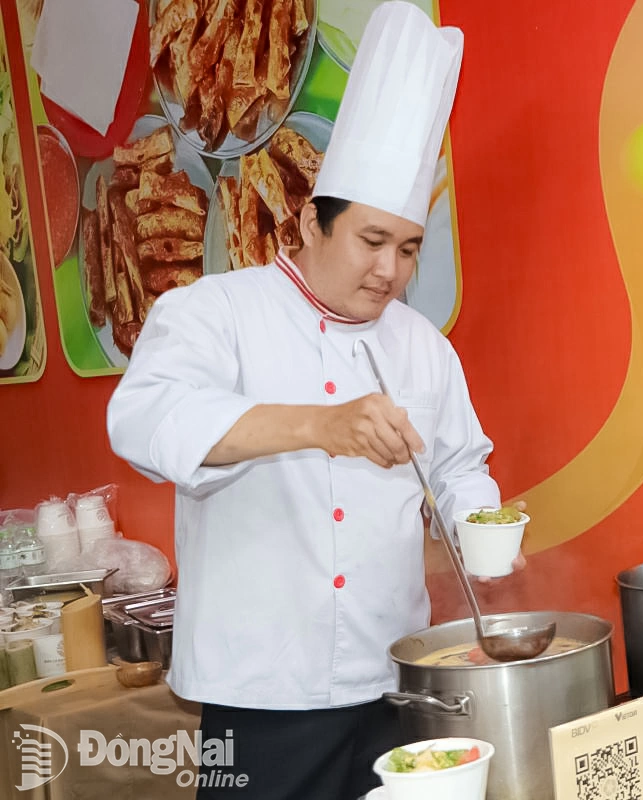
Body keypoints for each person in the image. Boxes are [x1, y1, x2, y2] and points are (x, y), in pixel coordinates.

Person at [107, 5, 519, 798]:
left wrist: (481, 528)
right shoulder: (215, 312)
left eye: (408, 249)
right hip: (259, 698)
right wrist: (318, 426)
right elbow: (144, 422)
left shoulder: (424, 348)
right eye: (372, 242)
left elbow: (461, 466)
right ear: (308, 222)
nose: (390, 271)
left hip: (397, 683)